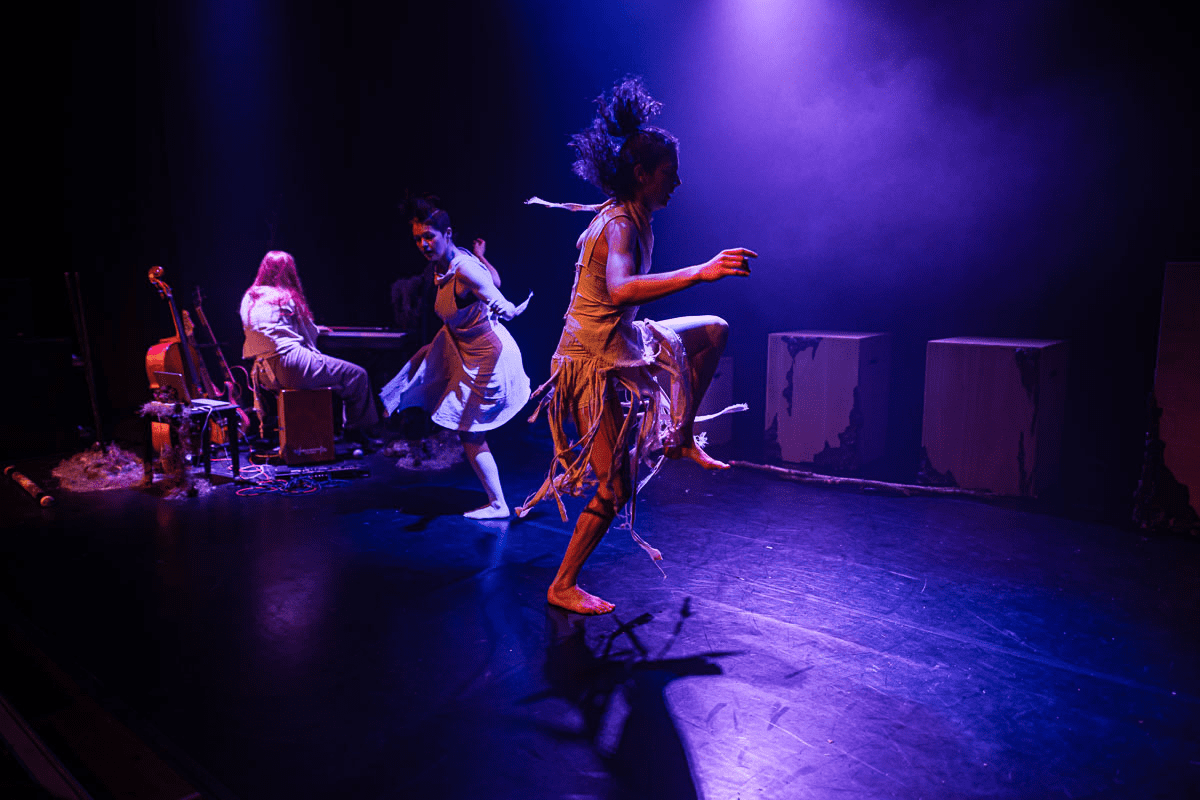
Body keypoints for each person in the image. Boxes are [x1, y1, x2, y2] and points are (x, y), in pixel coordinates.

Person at [517, 77, 757, 615]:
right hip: (588, 364)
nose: (677, 183)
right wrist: (703, 270)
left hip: (620, 340)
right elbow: (621, 289)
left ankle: (679, 436)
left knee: (713, 330)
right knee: (613, 487)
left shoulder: (638, 217)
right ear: (642, 175)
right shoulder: (620, 223)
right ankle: (562, 585)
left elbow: (622, 299)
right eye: (669, 175)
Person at [380, 197, 532, 520]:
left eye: (429, 236)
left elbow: (496, 295)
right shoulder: (452, 261)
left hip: (489, 356)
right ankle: (496, 502)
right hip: (461, 346)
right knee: (424, 377)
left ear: (447, 234)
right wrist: (482, 257)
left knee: (470, 432)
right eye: (418, 238)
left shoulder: (462, 269)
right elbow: (493, 279)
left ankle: (498, 504)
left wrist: (511, 309)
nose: (423, 244)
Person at [240, 250, 381, 443]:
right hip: (292, 365)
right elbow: (308, 335)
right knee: (357, 376)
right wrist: (317, 329)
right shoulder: (285, 296)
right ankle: (355, 434)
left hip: (263, 373)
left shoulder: (248, 298)